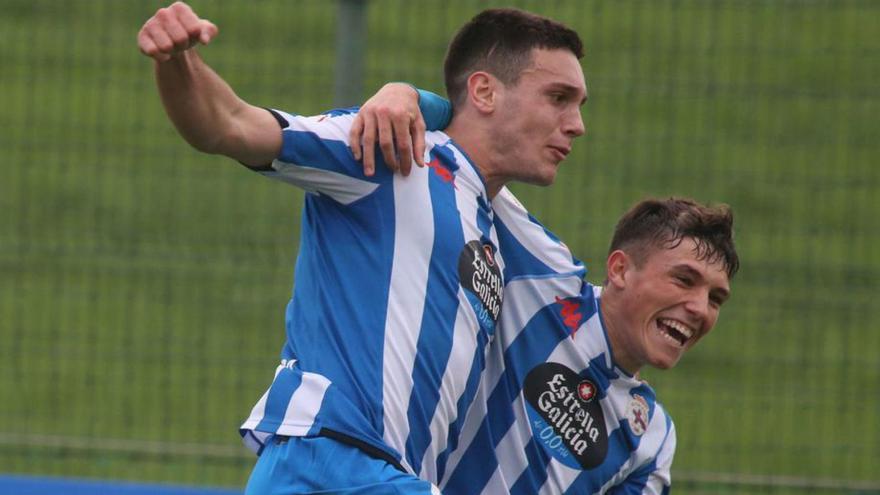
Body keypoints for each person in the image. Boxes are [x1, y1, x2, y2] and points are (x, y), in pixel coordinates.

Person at [137, 2, 586, 493]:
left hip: (388, 476)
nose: (576, 123)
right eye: (558, 97)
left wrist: (414, 93)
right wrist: (177, 59)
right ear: (483, 91)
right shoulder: (392, 148)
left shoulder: (501, 228)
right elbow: (229, 124)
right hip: (329, 462)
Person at [350, 95, 736, 493]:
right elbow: (468, 145)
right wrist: (407, 97)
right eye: (684, 280)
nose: (699, 309)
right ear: (620, 269)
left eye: (715, 299)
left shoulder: (652, 441)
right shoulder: (544, 273)